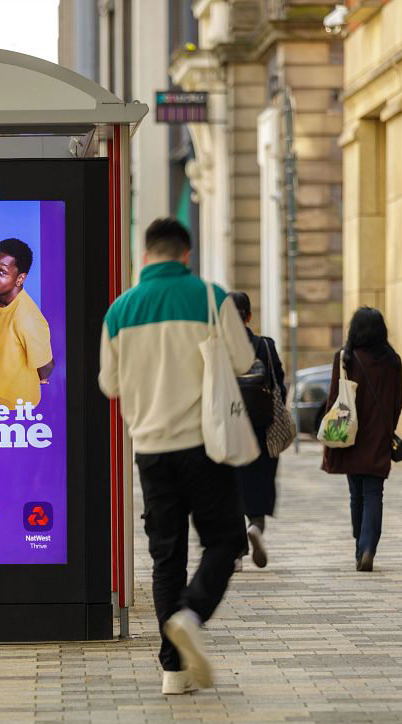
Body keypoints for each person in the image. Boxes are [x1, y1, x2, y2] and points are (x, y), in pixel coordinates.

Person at [98, 217, 253, 696]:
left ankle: (174, 671)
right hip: (204, 446)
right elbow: (244, 361)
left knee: (167, 558)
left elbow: (109, 384)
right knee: (225, 540)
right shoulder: (210, 297)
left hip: (150, 451)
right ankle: (192, 613)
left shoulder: (120, 310)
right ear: (186, 255)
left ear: (146, 255)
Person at [320, 307, 402, 572]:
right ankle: (368, 547)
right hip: (379, 437)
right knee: (374, 494)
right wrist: (388, 430)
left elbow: (334, 400)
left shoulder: (345, 358)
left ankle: (360, 545)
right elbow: (397, 402)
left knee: (356, 494)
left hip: (349, 436)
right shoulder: (393, 361)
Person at [227, 291, 283, 571]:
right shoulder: (265, 346)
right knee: (260, 481)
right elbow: (279, 385)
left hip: (229, 427)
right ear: (249, 316)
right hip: (262, 427)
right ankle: (256, 526)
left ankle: (236, 554)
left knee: (231, 487)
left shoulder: (218, 347)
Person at [0, 238, 54, 408]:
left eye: (2, 272)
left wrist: (41, 378)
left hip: (16, 404)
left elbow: (46, 365)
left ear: (20, 279)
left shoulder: (28, 319)